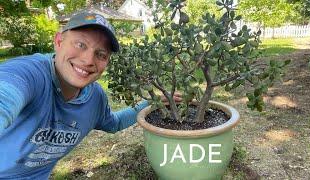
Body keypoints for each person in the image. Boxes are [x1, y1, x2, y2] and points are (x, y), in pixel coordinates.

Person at [0, 12, 181, 179]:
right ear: (58, 41)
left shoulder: (95, 98)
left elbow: (114, 123)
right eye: (80, 44)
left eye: (100, 54)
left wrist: (152, 103)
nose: (88, 60)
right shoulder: (28, 74)